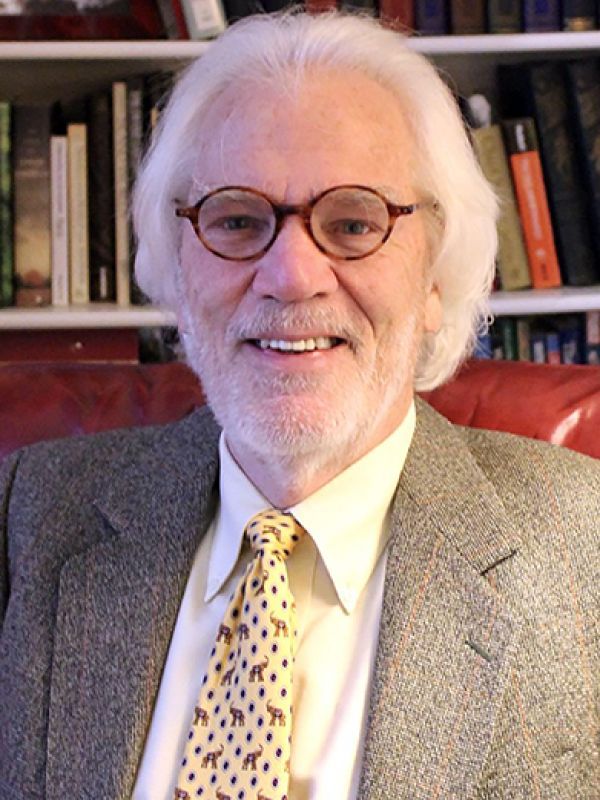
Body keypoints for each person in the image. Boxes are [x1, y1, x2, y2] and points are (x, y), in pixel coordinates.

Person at [0, 11, 598, 800]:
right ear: (178, 272)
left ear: (434, 279)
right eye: (237, 221)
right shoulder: (28, 517)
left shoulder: (583, 550)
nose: (292, 276)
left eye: (354, 223)